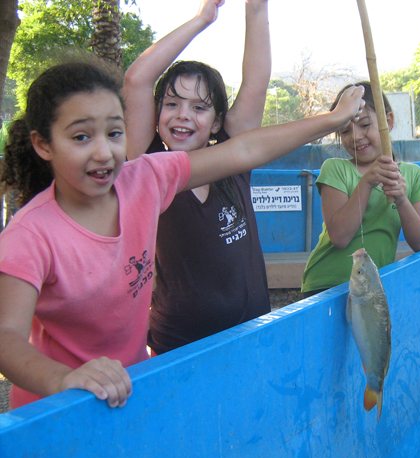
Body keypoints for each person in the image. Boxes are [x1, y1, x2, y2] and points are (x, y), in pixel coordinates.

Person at [0, 58, 365, 410]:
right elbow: (6, 338)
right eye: (81, 137)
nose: (103, 151)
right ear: (43, 144)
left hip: (130, 390)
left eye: (114, 133)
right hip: (55, 411)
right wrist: (64, 379)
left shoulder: (144, 180)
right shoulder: (30, 236)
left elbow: (245, 148)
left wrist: (332, 120)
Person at [122, 0, 272, 355]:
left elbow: (257, 79)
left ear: (217, 122)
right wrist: (203, 18)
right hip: (176, 344)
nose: (183, 115)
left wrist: (256, 8)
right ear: (157, 115)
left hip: (251, 334)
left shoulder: (235, 158)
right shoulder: (146, 167)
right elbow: (136, 79)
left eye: (199, 107)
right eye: (172, 103)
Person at [300, 82, 420, 295]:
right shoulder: (335, 169)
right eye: (345, 130)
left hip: (372, 287)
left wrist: (402, 199)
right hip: (326, 287)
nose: (355, 136)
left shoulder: (413, 175)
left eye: (365, 125)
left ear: (388, 121)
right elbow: (339, 237)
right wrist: (367, 182)